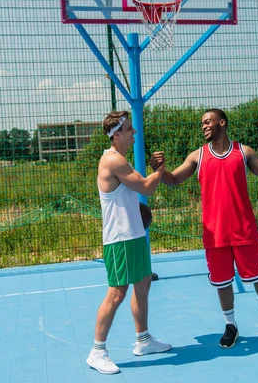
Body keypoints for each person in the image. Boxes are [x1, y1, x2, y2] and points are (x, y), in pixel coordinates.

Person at [151, 108, 258, 349]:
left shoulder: (243, 152)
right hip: (215, 233)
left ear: (222, 123)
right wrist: (159, 171)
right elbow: (174, 179)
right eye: (202, 123)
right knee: (222, 282)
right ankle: (230, 324)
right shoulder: (197, 156)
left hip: (243, 230)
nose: (204, 126)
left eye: (208, 122)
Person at [87, 111, 171, 375]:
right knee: (117, 293)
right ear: (117, 134)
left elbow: (134, 186)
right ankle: (97, 351)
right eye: (130, 129)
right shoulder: (112, 160)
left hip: (134, 236)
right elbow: (146, 187)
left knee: (143, 281)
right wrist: (160, 169)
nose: (134, 133)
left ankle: (143, 340)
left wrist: (151, 167)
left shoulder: (121, 160)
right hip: (120, 240)